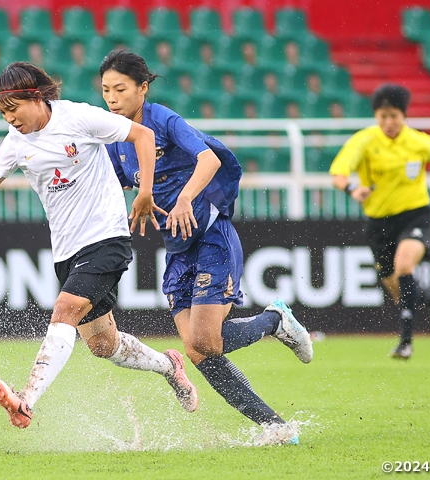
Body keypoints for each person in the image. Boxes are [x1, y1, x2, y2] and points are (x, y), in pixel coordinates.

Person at [0, 61, 198, 428]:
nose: (9, 119)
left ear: (36, 97)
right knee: (103, 345)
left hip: (106, 237)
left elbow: (143, 136)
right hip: (66, 251)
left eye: (13, 109)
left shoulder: (78, 117)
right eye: (2, 113)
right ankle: (169, 367)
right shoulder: (16, 141)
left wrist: (145, 192)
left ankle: (26, 400)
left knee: (64, 310)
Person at [99, 49, 313, 443]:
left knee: (205, 341)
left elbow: (209, 160)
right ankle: (277, 427)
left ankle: (275, 321)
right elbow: (108, 183)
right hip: (177, 249)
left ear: (143, 89)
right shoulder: (117, 140)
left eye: (120, 89)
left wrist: (184, 198)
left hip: (212, 236)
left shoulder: (164, 120)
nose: (111, 99)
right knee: (199, 352)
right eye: (106, 90)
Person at [330, 83, 430, 359]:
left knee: (404, 267)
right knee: (398, 291)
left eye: (394, 116)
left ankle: (405, 342)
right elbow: (338, 174)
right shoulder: (364, 141)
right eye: (383, 116)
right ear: (376, 116)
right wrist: (352, 189)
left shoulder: (419, 142)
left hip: (415, 214)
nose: (388, 122)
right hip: (379, 222)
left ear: (404, 115)